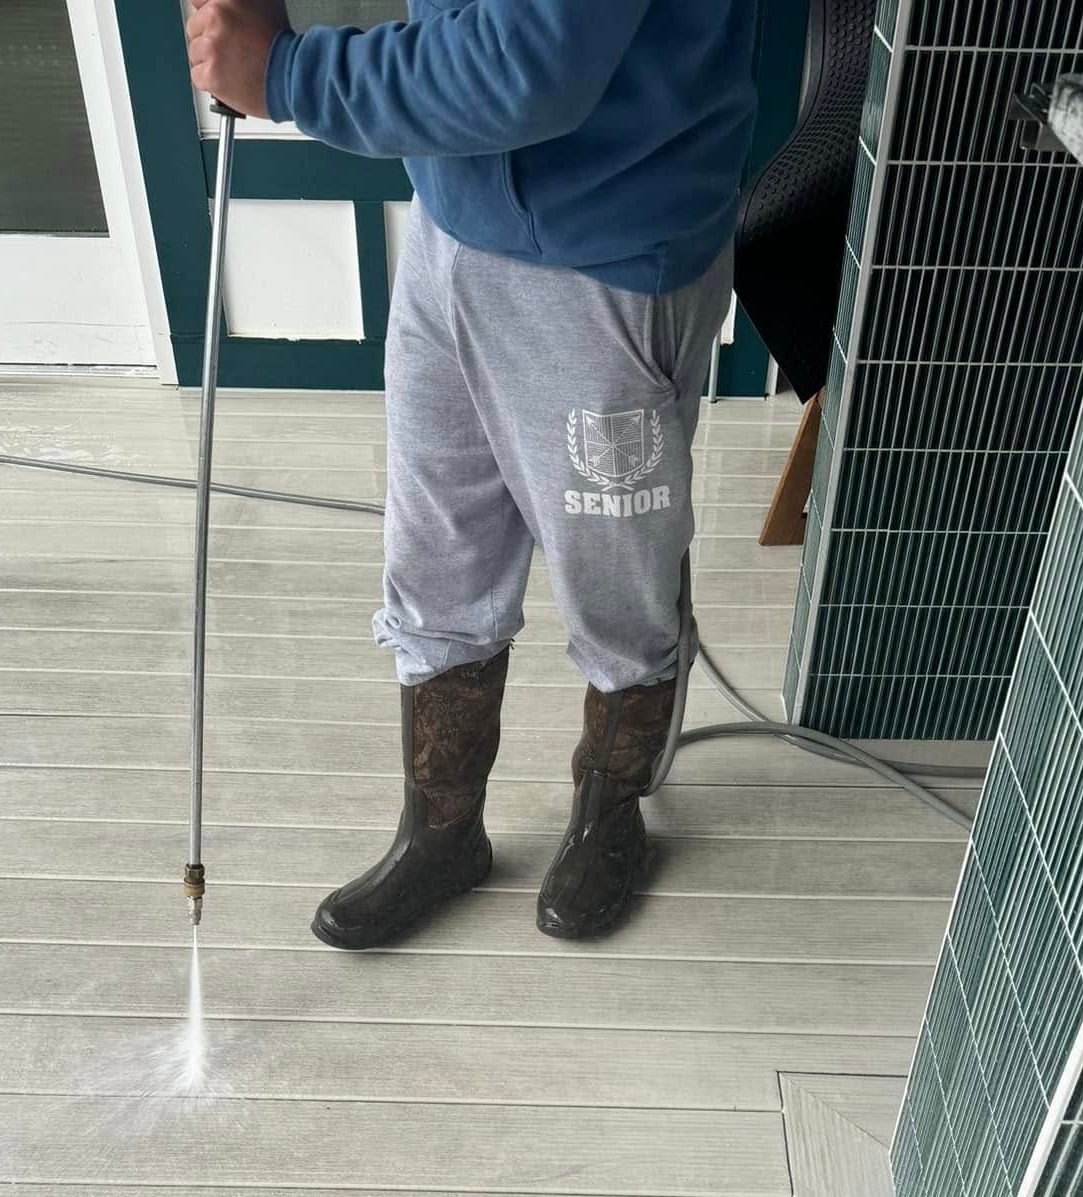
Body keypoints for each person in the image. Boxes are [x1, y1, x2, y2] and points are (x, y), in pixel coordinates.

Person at [186, 0, 759, 944]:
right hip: (455, 222)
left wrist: (286, 75)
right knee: (437, 551)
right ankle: (443, 830)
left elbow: (530, 62)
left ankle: (609, 815)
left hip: (608, 248)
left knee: (618, 578)